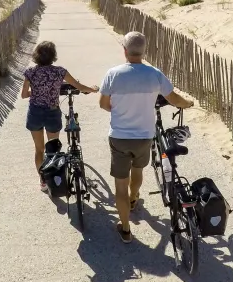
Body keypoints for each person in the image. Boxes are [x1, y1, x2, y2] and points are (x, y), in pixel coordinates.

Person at [99, 31, 193, 243]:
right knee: (138, 170)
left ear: (124, 50)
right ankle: (134, 199)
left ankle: (125, 229)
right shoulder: (154, 74)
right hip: (144, 137)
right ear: (144, 51)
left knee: (119, 186)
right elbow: (174, 98)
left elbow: (104, 104)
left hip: (120, 137)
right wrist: (187, 103)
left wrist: (121, 111)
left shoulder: (113, 74)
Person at [22, 41, 97, 190]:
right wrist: (93, 89)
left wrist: (37, 92)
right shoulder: (60, 72)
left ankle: (43, 180)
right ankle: (54, 178)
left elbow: (24, 95)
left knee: (39, 149)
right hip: (52, 113)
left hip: (35, 113)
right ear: (53, 56)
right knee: (53, 149)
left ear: (36, 55)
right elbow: (79, 86)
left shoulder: (30, 72)